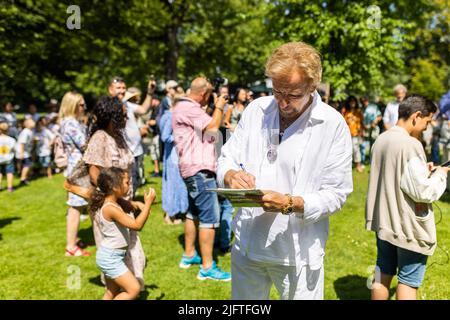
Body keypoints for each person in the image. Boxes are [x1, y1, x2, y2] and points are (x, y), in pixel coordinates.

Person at [217, 42, 353, 300]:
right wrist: (231, 175)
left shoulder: (332, 124)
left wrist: (291, 203)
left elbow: (337, 193)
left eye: (292, 95)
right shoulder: (257, 110)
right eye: (277, 91)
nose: (282, 101)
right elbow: (227, 156)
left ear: (313, 87)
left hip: (297, 251)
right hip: (247, 243)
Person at [366, 94, 448, 300]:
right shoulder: (411, 144)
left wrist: (423, 169)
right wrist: (440, 174)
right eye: (427, 122)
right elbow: (424, 192)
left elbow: (397, 174)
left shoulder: (381, 139)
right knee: (408, 281)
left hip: (384, 222)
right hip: (407, 226)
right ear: (416, 116)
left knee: (381, 271)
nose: (426, 128)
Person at [83, 96, 146, 289]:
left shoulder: (118, 136)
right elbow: (95, 174)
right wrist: (116, 198)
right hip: (109, 206)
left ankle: (127, 290)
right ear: (112, 117)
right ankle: (124, 291)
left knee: (133, 251)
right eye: (123, 115)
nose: (127, 118)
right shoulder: (99, 138)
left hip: (123, 202)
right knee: (117, 255)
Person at [172, 77, 231, 281]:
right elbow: (214, 129)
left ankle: (189, 254)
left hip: (191, 169)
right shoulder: (188, 108)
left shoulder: (184, 107)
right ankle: (207, 267)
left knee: (193, 213)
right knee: (210, 218)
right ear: (204, 94)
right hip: (200, 170)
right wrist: (219, 106)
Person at [91, 167, 156, 300]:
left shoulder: (113, 203)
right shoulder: (110, 208)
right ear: (114, 187)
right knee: (134, 289)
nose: (129, 185)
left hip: (110, 256)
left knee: (111, 292)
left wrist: (138, 205)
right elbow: (137, 225)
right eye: (127, 182)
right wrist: (148, 203)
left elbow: (129, 206)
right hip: (111, 258)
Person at [108, 76, 155, 193]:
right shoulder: (108, 107)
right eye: (118, 88)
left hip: (135, 152)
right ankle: (122, 209)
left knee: (132, 184)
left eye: (124, 88)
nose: (122, 90)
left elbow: (144, 109)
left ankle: (128, 207)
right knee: (122, 186)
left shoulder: (127, 104)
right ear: (110, 89)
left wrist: (150, 93)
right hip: (121, 154)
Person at [59, 91, 91, 257]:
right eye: (81, 104)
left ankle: (73, 242)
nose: (84, 107)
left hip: (80, 168)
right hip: (78, 170)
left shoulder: (73, 122)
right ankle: (71, 247)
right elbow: (85, 144)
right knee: (76, 206)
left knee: (81, 204)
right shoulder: (70, 124)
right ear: (72, 105)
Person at [159, 99, 189, 225]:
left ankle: (179, 211)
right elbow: (165, 136)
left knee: (180, 185)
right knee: (172, 185)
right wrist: (179, 138)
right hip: (172, 158)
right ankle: (169, 214)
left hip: (181, 156)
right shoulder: (170, 116)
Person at [342, 95, 365, 172]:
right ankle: (346, 166)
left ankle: (358, 165)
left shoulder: (358, 112)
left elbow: (362, 123)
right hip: (346, 134)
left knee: (356, 149)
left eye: (354, 101)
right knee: (346, 150)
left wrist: (362, 133)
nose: (352, 103)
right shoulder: (345, 111)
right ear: (348, 103)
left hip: (356, 134)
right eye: (351, 101)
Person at [361, 96, 382, 164]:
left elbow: (379, 116)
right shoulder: (361, 109)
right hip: (365, 129)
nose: (364, 102)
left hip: (374, 128)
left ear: (367, 100)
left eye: (365, 100)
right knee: (365, 144)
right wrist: (364, 126)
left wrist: (375, 122)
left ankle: (375, 160)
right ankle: (365, 160)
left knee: (375, 144)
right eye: (363, 101)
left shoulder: (374, 106)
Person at [15, 118, 35, 186]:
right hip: (23, 152)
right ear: (27, 124)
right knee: (27, 164)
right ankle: (23, 179)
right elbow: (22, 143)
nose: (33, 122)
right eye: (31, 121)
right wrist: (22, 153)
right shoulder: (26, 132)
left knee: (26, 165)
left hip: (26, 152)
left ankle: (24, 177)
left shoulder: (29, 131)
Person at [0, 122, 16, 192]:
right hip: (9, 158)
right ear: (8, 130)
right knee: (9, 173)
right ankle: (10, 188)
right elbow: (14, 149)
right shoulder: (11, 139)